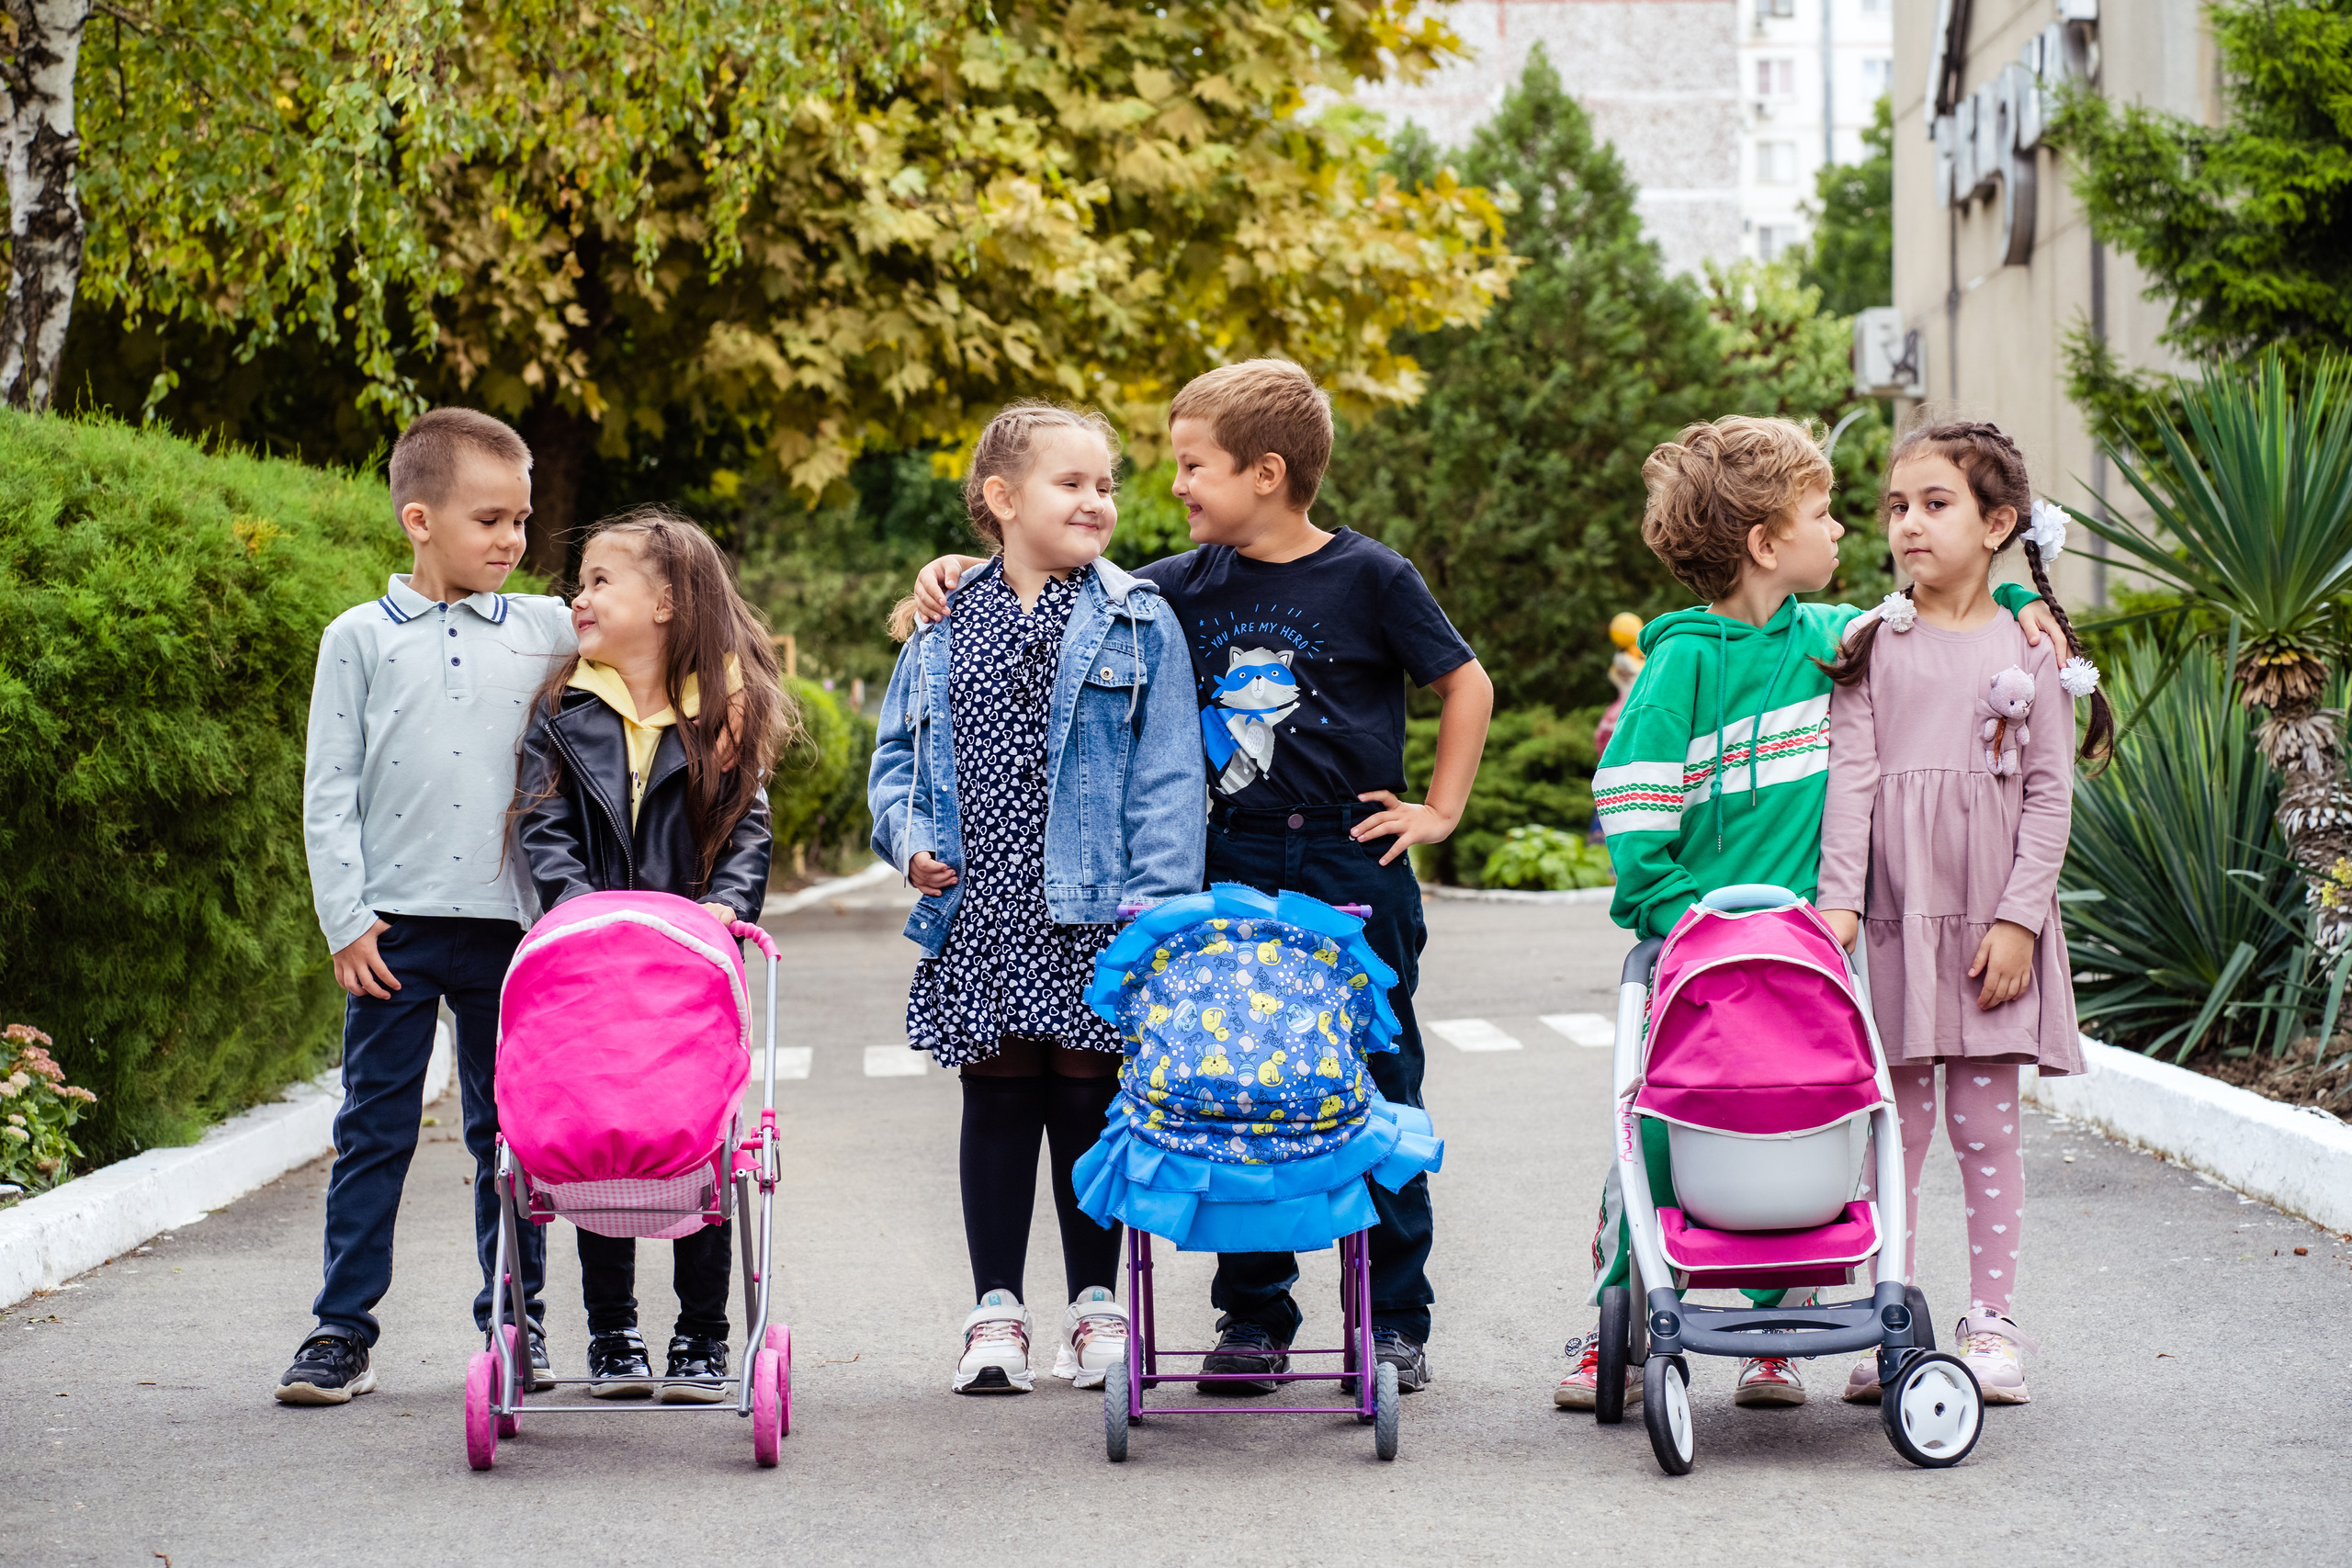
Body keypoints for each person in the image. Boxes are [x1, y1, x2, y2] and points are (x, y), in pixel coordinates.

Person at [910, 360, 1495, 1395]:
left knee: (1378, 1080)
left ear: (1265, 473)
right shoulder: (1178, 586)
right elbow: (1067, 581)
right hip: (1231, 860)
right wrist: (964, 566)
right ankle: (1254, 1318)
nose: (1174, 486)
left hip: (1346, 859)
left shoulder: (1371, 577)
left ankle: (1396, 1315)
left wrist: (1439, 810)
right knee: (1236, 1081)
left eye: (1192, 466)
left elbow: (1464, 681)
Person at [1556, 415, 2064, 1414]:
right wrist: (1673, 912)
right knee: (1664, 1136)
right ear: (1765, 543)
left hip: (1801, 953)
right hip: (1696, 952)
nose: (1848, 533)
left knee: (1792, 1126)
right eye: (1827, 514)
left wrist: (2017, 594)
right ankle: (1611, 1317)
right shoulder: (1680, 667)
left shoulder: (1829, 643)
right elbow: (1630, 802)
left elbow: (1946, 615)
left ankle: (1772, 1334)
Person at [869, 402, 1203, 1395]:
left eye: (1106, 484)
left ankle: (1095, 1304)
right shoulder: (940, 620)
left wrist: (1154, 910)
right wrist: (908, 841)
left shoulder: (1139, 617)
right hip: (981, 908)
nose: (1097, 501)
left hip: (1098, 908)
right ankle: (995, 1313)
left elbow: (1169, 775)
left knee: (1089, 1098)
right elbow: (897, 759)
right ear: (1002, 499)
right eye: (1072, 484)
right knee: (998, 1095)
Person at [1815, 421, 2110, 1406]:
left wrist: (2021, 920)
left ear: (1997, 525)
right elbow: (1849, 784)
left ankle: (1992, 1321)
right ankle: (1888, 1314)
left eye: (1934, 505)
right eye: (1895, 507)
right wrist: (1838, 911)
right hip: (1895, 924)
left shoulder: (2034, 652)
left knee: (1985, 1131)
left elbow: (2047, 794)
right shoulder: (1869, 644)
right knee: (1892, 1133)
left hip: (1989, 925)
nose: (1908, 525)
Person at [281, 410, 572, 1405]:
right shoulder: (358, 639)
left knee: (514, 1134)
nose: (511, 540)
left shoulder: (544, 627)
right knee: (375, 1131)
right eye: (488, 520)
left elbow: (665, 621)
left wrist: (938, 583)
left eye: (521, 521)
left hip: (515, 933)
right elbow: (330, 788)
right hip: (392, 932)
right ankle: (339, 1331)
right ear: (418, 519)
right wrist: (346, 920)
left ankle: (514, 1317)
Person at [514, 506, 786, 1403]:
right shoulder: (562, 708)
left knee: (693, 1140)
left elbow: (746, 826)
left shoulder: (723, 709)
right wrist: (576, 908)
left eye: (599, 580)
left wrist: (724, 910)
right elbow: (542, 823)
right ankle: (614, 1332)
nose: (578, 596)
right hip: (591, 969)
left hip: (685, 970)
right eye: (579, 580)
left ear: (665, 602)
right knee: (603, 1138)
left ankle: (702, 1336)